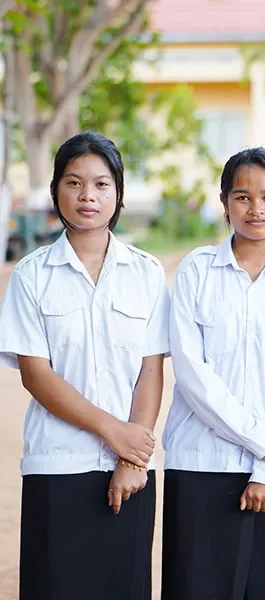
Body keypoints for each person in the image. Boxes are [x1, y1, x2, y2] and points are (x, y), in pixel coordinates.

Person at [0, 131, 170, 599]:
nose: (87, 196)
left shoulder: (147, 272)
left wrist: (133, 457)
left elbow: (150, 369)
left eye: (101, 184)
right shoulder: (32, 275)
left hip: (130, 470)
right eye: (74, 183)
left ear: (118, 192)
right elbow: (37, 375)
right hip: (56, 465)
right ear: (56, 190)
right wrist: (115, 432)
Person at [162, 147, 265, 600]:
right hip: (199, 463)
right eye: (242, 197)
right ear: (224, 202)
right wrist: (262, 442)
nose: (256, 209)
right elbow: (192, 374)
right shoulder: (196, 271)